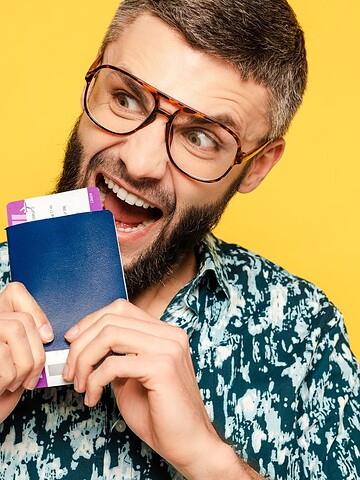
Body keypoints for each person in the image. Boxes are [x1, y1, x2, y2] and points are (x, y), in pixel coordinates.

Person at [0, 0, 359, 478]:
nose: (140, 162)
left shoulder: (303, 332)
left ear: (257, 166)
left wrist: (209, 459)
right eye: (126, 98)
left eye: (201, 137)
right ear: (92, 75)